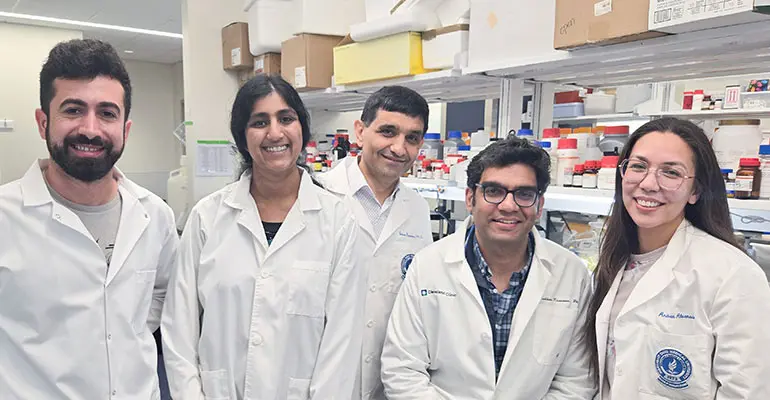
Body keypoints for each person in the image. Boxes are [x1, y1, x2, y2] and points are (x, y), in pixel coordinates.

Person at [161, 74, 364, 400]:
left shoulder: (338, 221)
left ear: (302, 129)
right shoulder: (207, 218)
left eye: (286, 118)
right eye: (259, 122)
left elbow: (342, 340)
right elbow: (179, 328)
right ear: (242, 137)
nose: (275, 133)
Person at [0, 39, 178, 398]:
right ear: (43, 122)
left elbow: (159, 297)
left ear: (125, 129)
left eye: (107, 113)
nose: (91, 129)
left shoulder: (155, 216)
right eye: (73, 110)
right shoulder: (6, 217)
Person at [381, 138, 597, 399]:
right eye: (493, 191)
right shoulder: (428, 266)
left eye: (524, 194)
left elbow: (575, 381)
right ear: (470, 198)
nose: (508, 206)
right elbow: (403, 370)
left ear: (539, 205)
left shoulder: (571, 274)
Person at [584, 117, 770, 399]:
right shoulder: (614, 261)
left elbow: (747, 392)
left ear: (695, 191)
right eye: (638, 166)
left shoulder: (733, 274)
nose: (648, 183)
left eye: (671, 172)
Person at [319, 85, 434, 400]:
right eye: (388, 132)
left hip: (391, 381)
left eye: (412, 138)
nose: (399, 148)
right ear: (360, 131)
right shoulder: (318, 195)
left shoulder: (417, 209)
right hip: (322, 376)